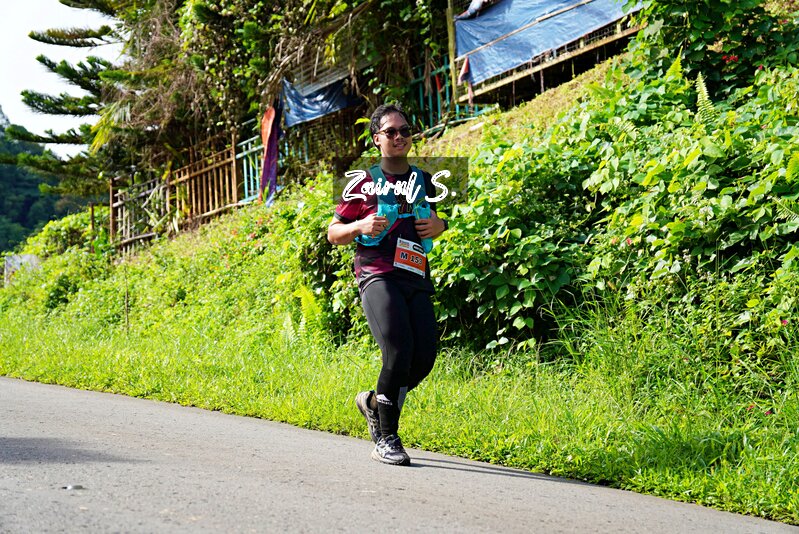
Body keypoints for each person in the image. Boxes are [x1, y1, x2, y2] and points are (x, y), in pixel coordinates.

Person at [327, 103, 448, 466]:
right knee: (398, 348)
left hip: (415, 273)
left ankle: (372, 402)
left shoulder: (425, 180)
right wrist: (359, 226)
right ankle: (387, 436)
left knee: (424, 357)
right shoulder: (360, 183)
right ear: (376, 139)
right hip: (377, 273)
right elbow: (334, 233)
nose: (399, 137)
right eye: (391, 132)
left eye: (405, 131)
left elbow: (437, 221)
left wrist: (441, 226)